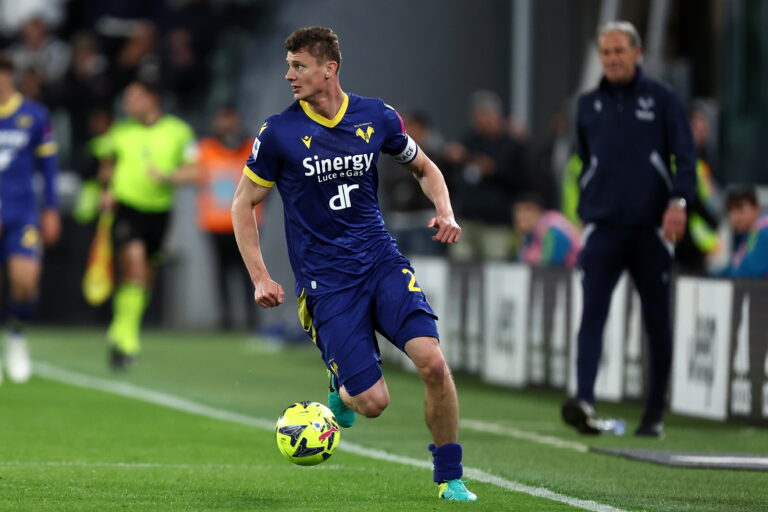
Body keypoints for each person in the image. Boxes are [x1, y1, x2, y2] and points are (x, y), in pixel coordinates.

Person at [232, 27, 476, 501]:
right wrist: (260, 275)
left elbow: (425, 167)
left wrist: (444, 210)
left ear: (330, 69)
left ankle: (450, 477)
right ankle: (341, 385)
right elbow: (243, 204)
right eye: (288, 65)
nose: (289, 75)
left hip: (381, 262)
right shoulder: (279, 132)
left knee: (432, 363)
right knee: (373, 403)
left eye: (298, 66)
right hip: (328, 284)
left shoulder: (376, 116)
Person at [561, 21, 696, 438]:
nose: (612, 59)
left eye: (619, 51)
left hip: (651, 230)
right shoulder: (586, 105)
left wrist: (678, 202)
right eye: (606, 52)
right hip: (603, 227)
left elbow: (686, 158)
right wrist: (586, 207)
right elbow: (583, 161)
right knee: (592, 317)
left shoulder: (663, 100)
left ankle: (653, 413)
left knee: (657, 322)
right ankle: (584, 399)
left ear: (637, 53)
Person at [98, 79, 197, 370]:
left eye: (134, 98)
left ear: (152, 99)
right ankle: (128, 338)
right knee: (136, 266)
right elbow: (106, 165)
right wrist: (106, 189)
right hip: (127, 209)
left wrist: (169, 178)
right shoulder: (120, 132)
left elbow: (196, 171)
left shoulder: (178, 131)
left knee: (145, 278)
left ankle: (121, 326)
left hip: (160, 212)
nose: (128, 104)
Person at [0, 53, 60, 384]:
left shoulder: (34, 115)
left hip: (21, 212)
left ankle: (16, 335)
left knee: (25, 282)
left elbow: (49, 168)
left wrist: (50, 209)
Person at [197, 105, 261, 331]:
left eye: (230, 119)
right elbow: (194, 173)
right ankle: (226, 320)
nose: (226, 125)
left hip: (245, 221)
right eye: (222, 119)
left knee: (249, 271)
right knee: (221, 273)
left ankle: (252, 319)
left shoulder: (251, 146)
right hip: (215, 222)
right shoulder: (206, 148)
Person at [443, 89, 526, 262]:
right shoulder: (468, 140)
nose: (480, 120)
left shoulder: (511, 143)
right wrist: (451, 159)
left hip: (496, 223)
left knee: (495, 267)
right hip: (466, 219)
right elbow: (452, 174)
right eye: (477, 116)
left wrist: (494, 170)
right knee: (460, 264)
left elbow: (523, 180)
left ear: (496, 115)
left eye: (484, 115)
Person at [514, 194, 580, 268]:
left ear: (537, 210)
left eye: (527, 209)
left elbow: (553, 262)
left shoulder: (549, 225)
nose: (521, 215)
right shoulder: (530, 234)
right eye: (518, 210)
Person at [717, 186, 768, 278]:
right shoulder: (748, 234)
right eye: (730, 210)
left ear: (756, 208)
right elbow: (732, 267)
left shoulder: (764, 232)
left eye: (739, 209)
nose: (734, 217)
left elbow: (749, 272)